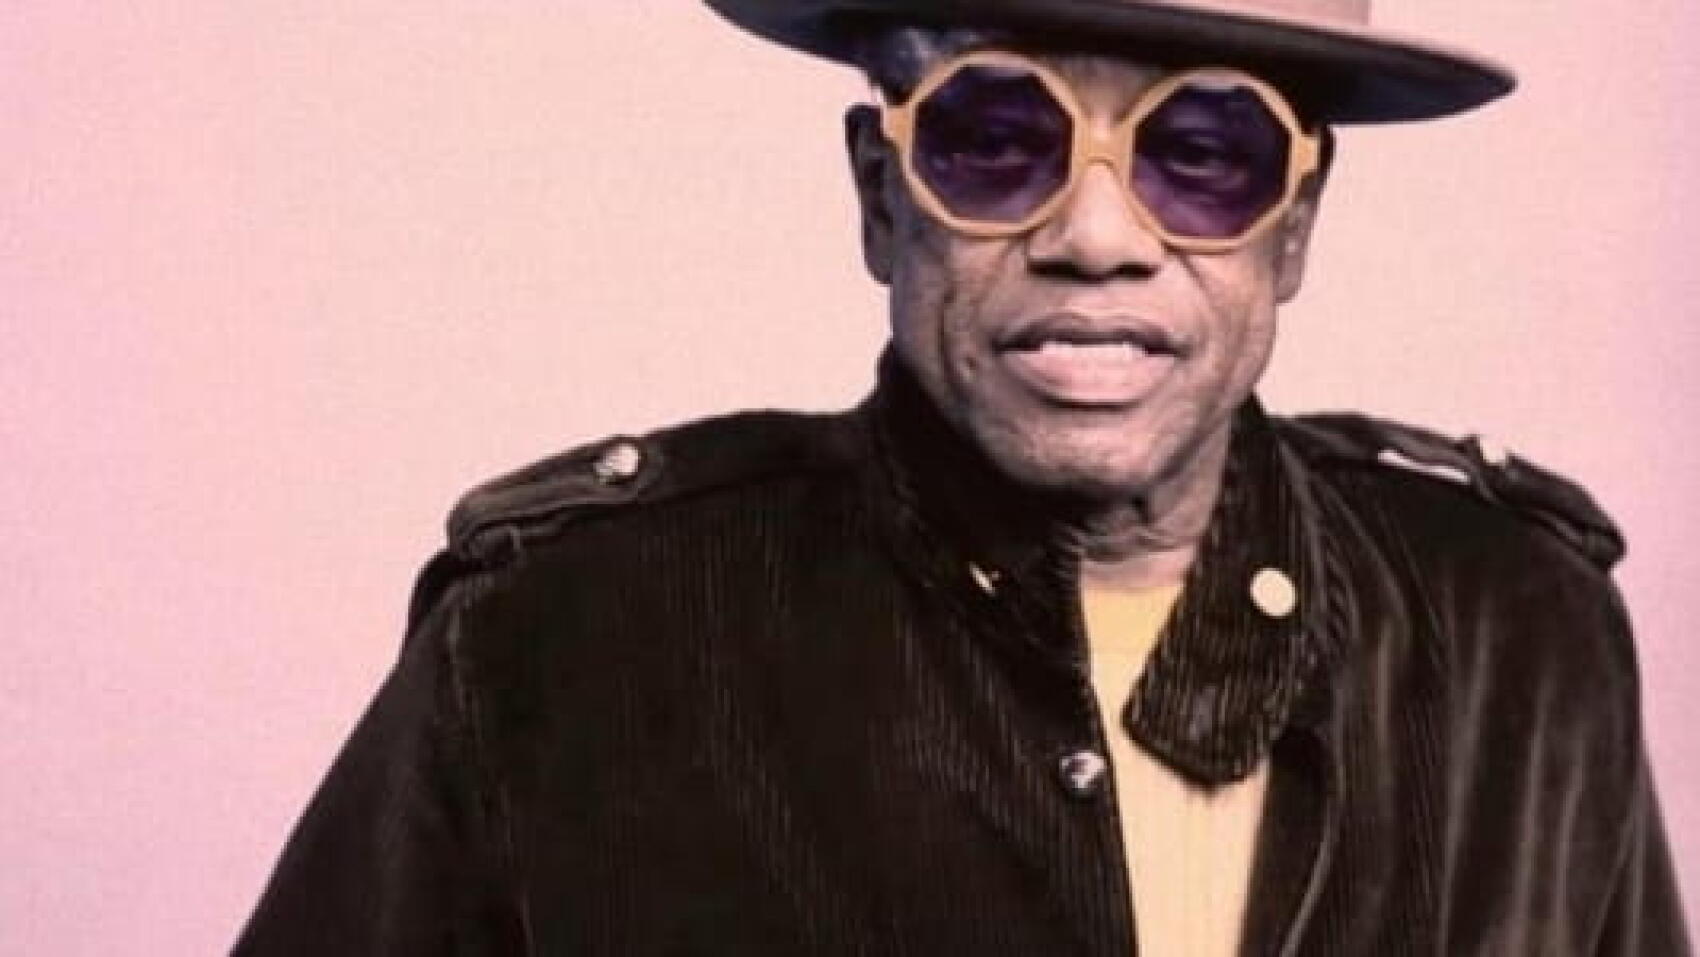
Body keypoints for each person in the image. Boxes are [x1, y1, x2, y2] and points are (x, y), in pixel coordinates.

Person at [235, 0, 1690, 953]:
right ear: (881, 196)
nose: (1098, 239)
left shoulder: (1519, 639)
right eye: (996, 140)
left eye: (1204, 152)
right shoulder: (557, 641)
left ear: (1296, 225)